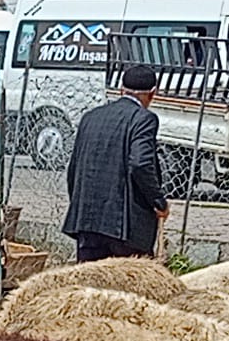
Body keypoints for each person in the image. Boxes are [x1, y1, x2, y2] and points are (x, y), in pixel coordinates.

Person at [62, 63, 169, 262]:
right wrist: (158, 201)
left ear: (121, 90)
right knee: (127, 287)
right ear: (152, 94)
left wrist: (80, 204)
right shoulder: (143, 119)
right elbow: (140, 164)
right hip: (123, 227)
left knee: (89, 286)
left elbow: (74, 168)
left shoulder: (90, 117)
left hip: (86, 222)